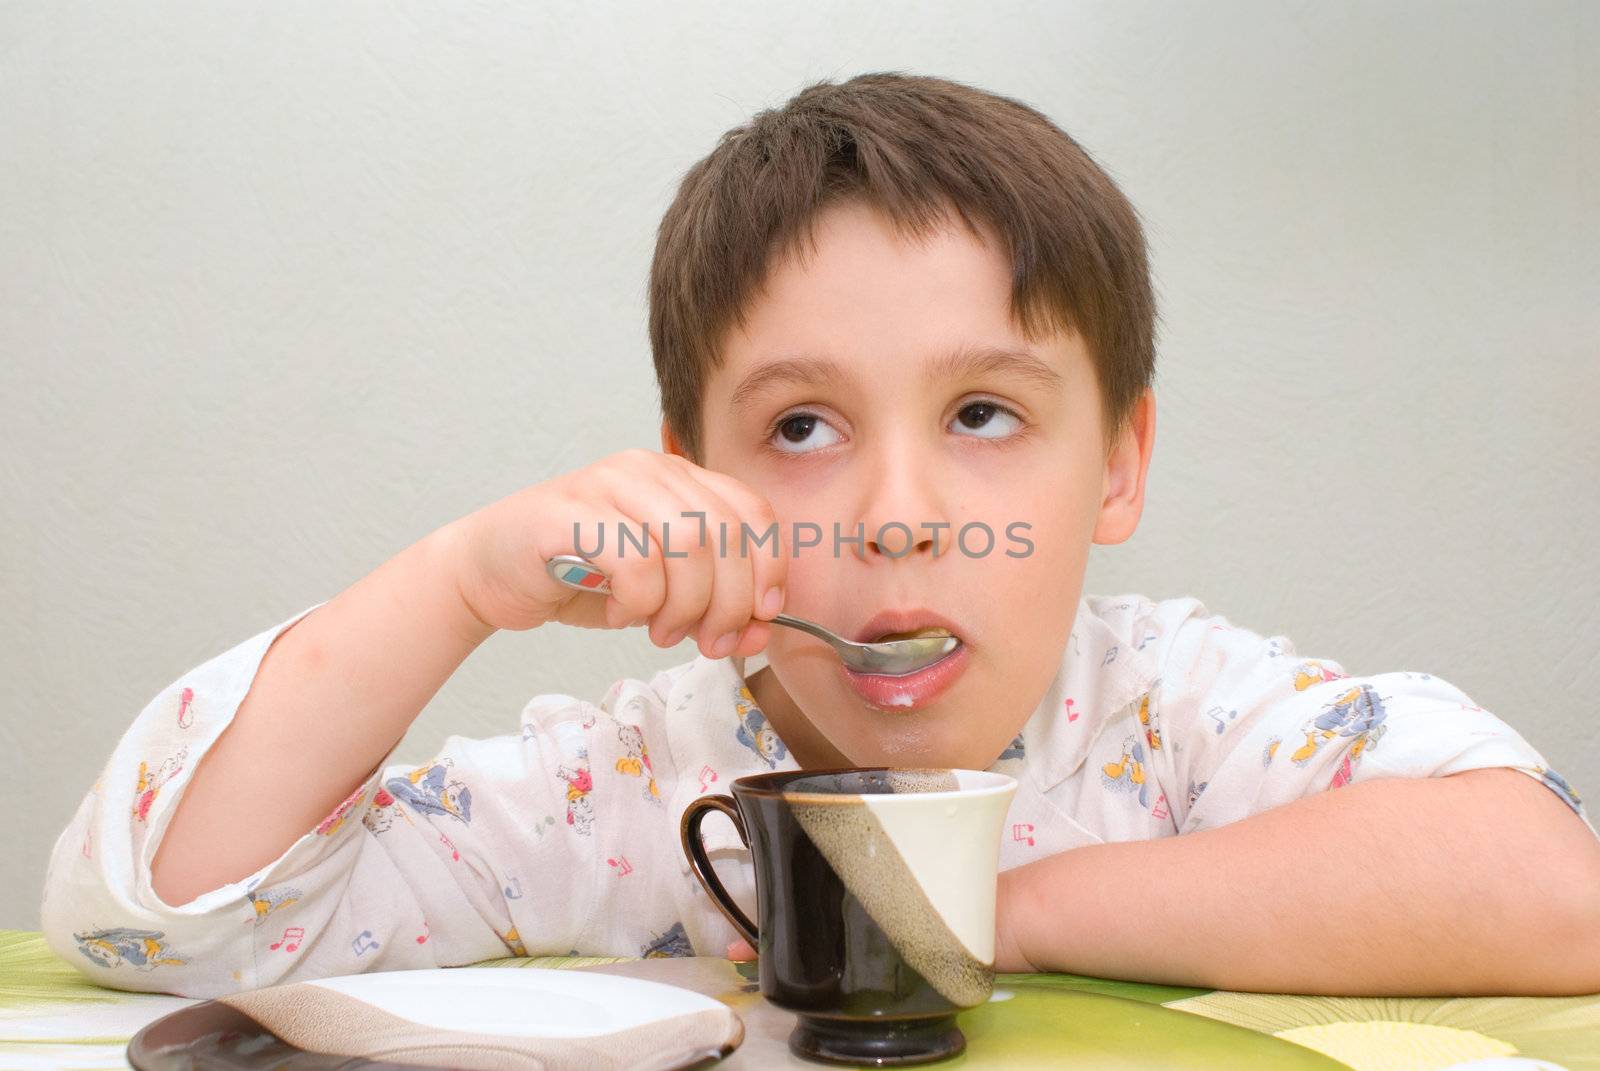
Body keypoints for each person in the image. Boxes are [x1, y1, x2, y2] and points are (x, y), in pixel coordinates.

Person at [40, 72, 1600, 1001]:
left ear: (1118, 468)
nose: (900, 516)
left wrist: (966, 906)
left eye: (986, 414)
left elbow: (1544, 884)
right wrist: (460, 582)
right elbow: (170, 922)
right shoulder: (631, 790)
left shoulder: (1176, 721)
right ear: (689, 480)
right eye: (801, 429)